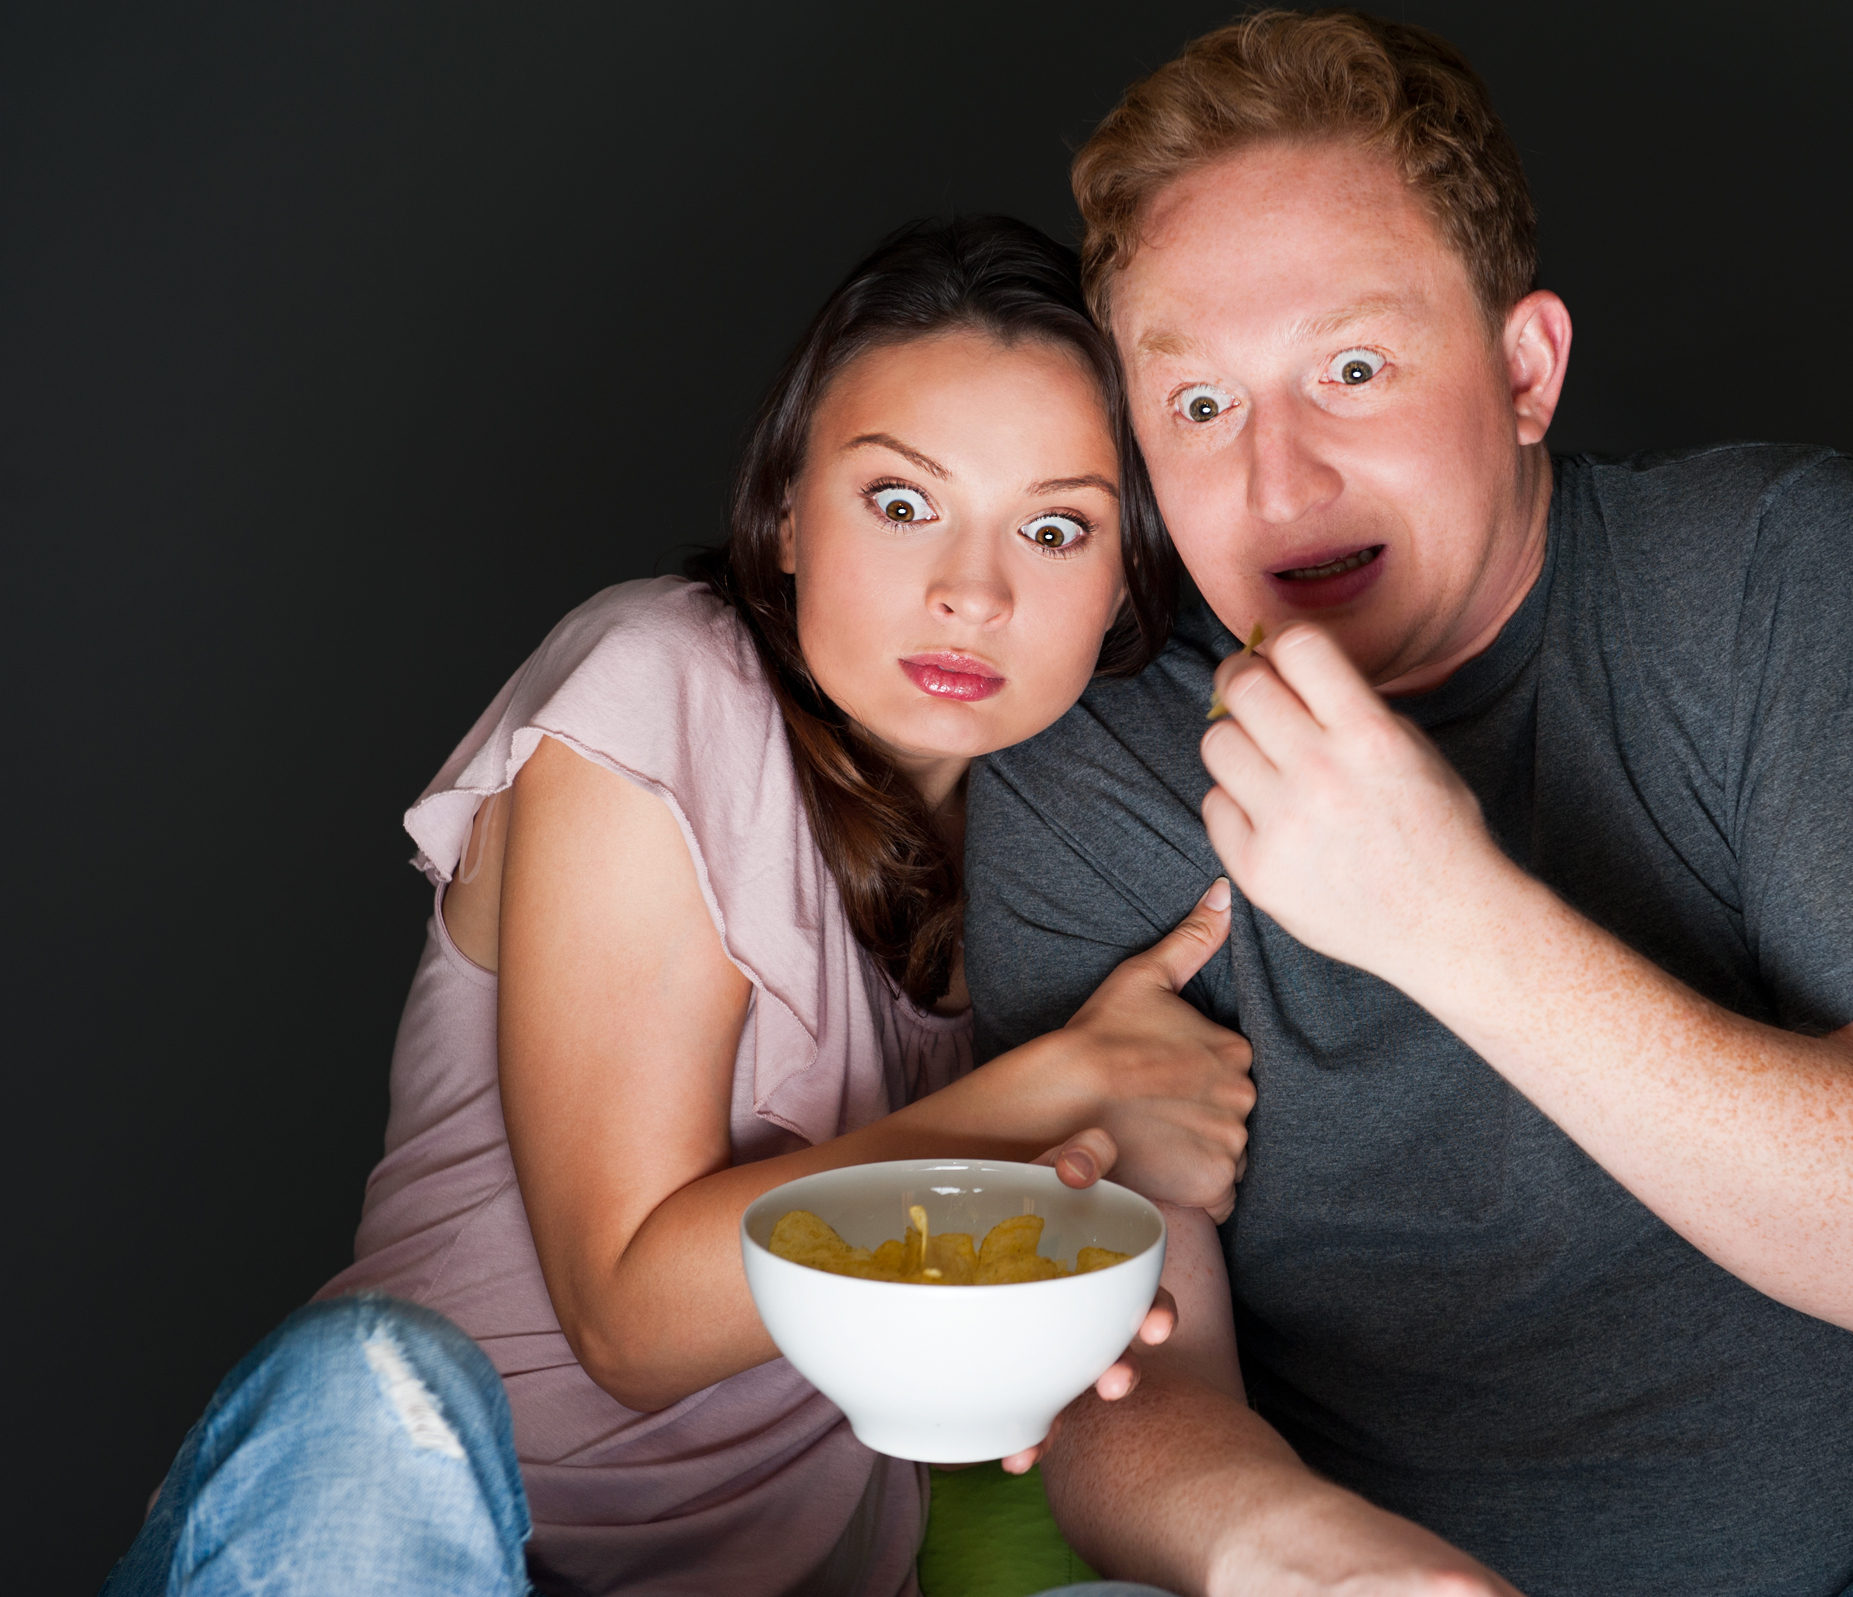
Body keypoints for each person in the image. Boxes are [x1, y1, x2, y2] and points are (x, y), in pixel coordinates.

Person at [963, 12, 1853, 1597]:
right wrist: (1292, 1553)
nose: (1278, 481)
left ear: (1525, 369)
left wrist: (1444, 914)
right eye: (1201, 407)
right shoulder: (1085, 759)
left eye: (1353, 370)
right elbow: (1118, 1374)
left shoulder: (1781, 576)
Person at [103, 217, 1248, 1597]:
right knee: (366, 1391)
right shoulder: (659, 683)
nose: (971, 591)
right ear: (782, 520)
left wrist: (1073, 1320)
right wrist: (1061, 1088)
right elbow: (630, 1313)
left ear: (1125, 582)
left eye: (1055, 527)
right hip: (400, 1530)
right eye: (901, 502)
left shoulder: (1071, 844)